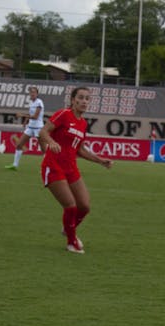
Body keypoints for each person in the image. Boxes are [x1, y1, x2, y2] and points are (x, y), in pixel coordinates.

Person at [38, 87, 113, 254]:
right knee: (70, 206)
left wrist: (100, 161)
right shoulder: (63, 114)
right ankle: (71, 242)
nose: (84, 101)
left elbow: (80, 150)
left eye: (87, 98)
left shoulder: (83, 123)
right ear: (73, 100)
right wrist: (51, 142)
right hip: (53, 165)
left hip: (71, 168)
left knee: (84, 206)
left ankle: (68, 228)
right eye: (81, 97)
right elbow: (43, 132)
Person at [5, 86, 44, 170]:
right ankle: (15, 165)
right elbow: (30, 114)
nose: (32, 94)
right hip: (30, 127)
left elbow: (36, 117)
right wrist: (25, 121)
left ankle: (48, 167)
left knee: (44, 149)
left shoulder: (39, 102)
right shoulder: (31, 103)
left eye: (34, 92)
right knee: (19, 145)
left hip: (38, 128)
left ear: (37, 94)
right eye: (31, 92)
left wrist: (22, 115)